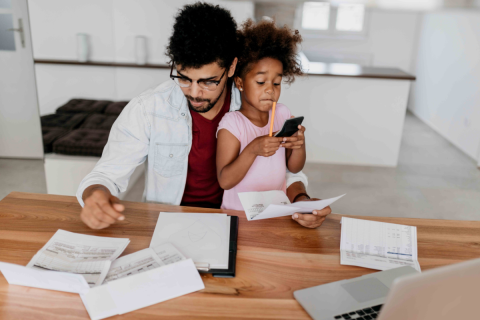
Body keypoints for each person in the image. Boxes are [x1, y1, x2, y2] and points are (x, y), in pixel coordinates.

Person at [76, 2, 331, 230]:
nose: (195, 92)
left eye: (208, 81)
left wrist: (301, 201)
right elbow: (106, 174)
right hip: (171, 221)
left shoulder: (257, 105)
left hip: (242, 221)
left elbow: (283, 170)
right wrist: (95, 195)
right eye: (184, 78)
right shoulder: (148, 109)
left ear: (231, 67)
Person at [217, 19, 306, 210]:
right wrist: (253, 149)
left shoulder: (282, 113)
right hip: (238, 213)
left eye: (276, 83)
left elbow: (294, 168)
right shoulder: (232, 124)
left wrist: (299, 144)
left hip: (274, 210)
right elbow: (225, 181)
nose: (270, 90)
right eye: (260, 82)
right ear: (240, 83)